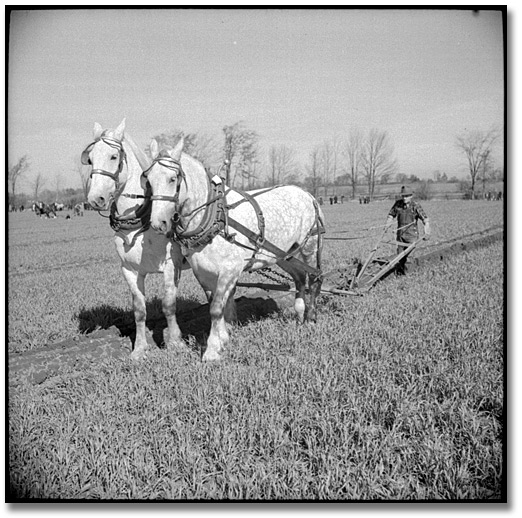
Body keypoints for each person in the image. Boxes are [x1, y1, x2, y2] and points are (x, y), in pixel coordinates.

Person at [386, 186, 431, 275]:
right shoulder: (398, 204)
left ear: (411, 196)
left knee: (409, 257)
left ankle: (408, 275)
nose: (404, 198)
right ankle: (400, 273)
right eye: (403, 196)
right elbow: (391, 215)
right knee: (400, 256)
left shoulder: (415, 205)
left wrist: (427, 231)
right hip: (400, 235)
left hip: (412, 236)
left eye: (406, 196)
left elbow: (425, 219)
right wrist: (387, 225)